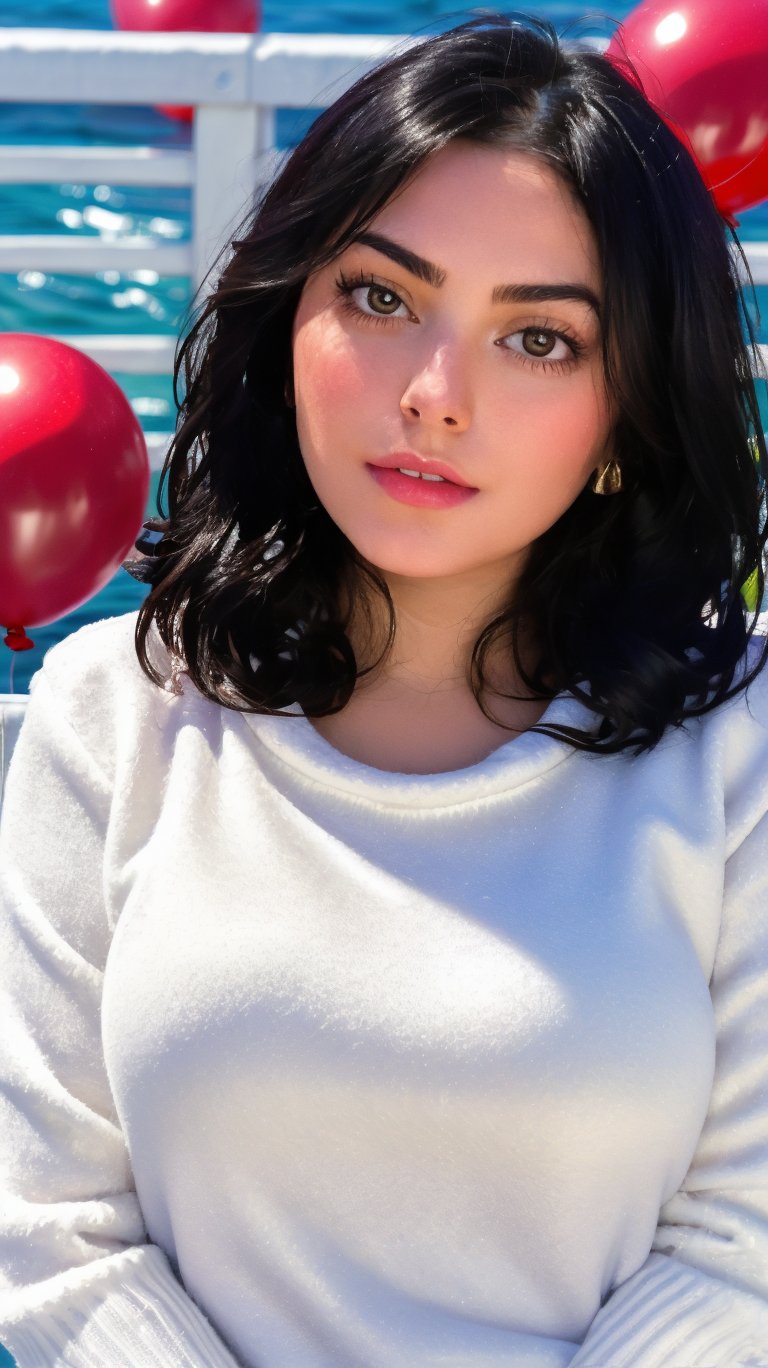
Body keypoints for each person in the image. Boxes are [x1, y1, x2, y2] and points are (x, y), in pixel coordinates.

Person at [1, 11, 768, 1366]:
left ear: (626, 417)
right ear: (287, 317)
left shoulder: (739, 750)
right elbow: (50, 1233)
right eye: (380, 296)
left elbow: (745, 1245)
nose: (434, 393)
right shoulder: (108, 716)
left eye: (539, 341)